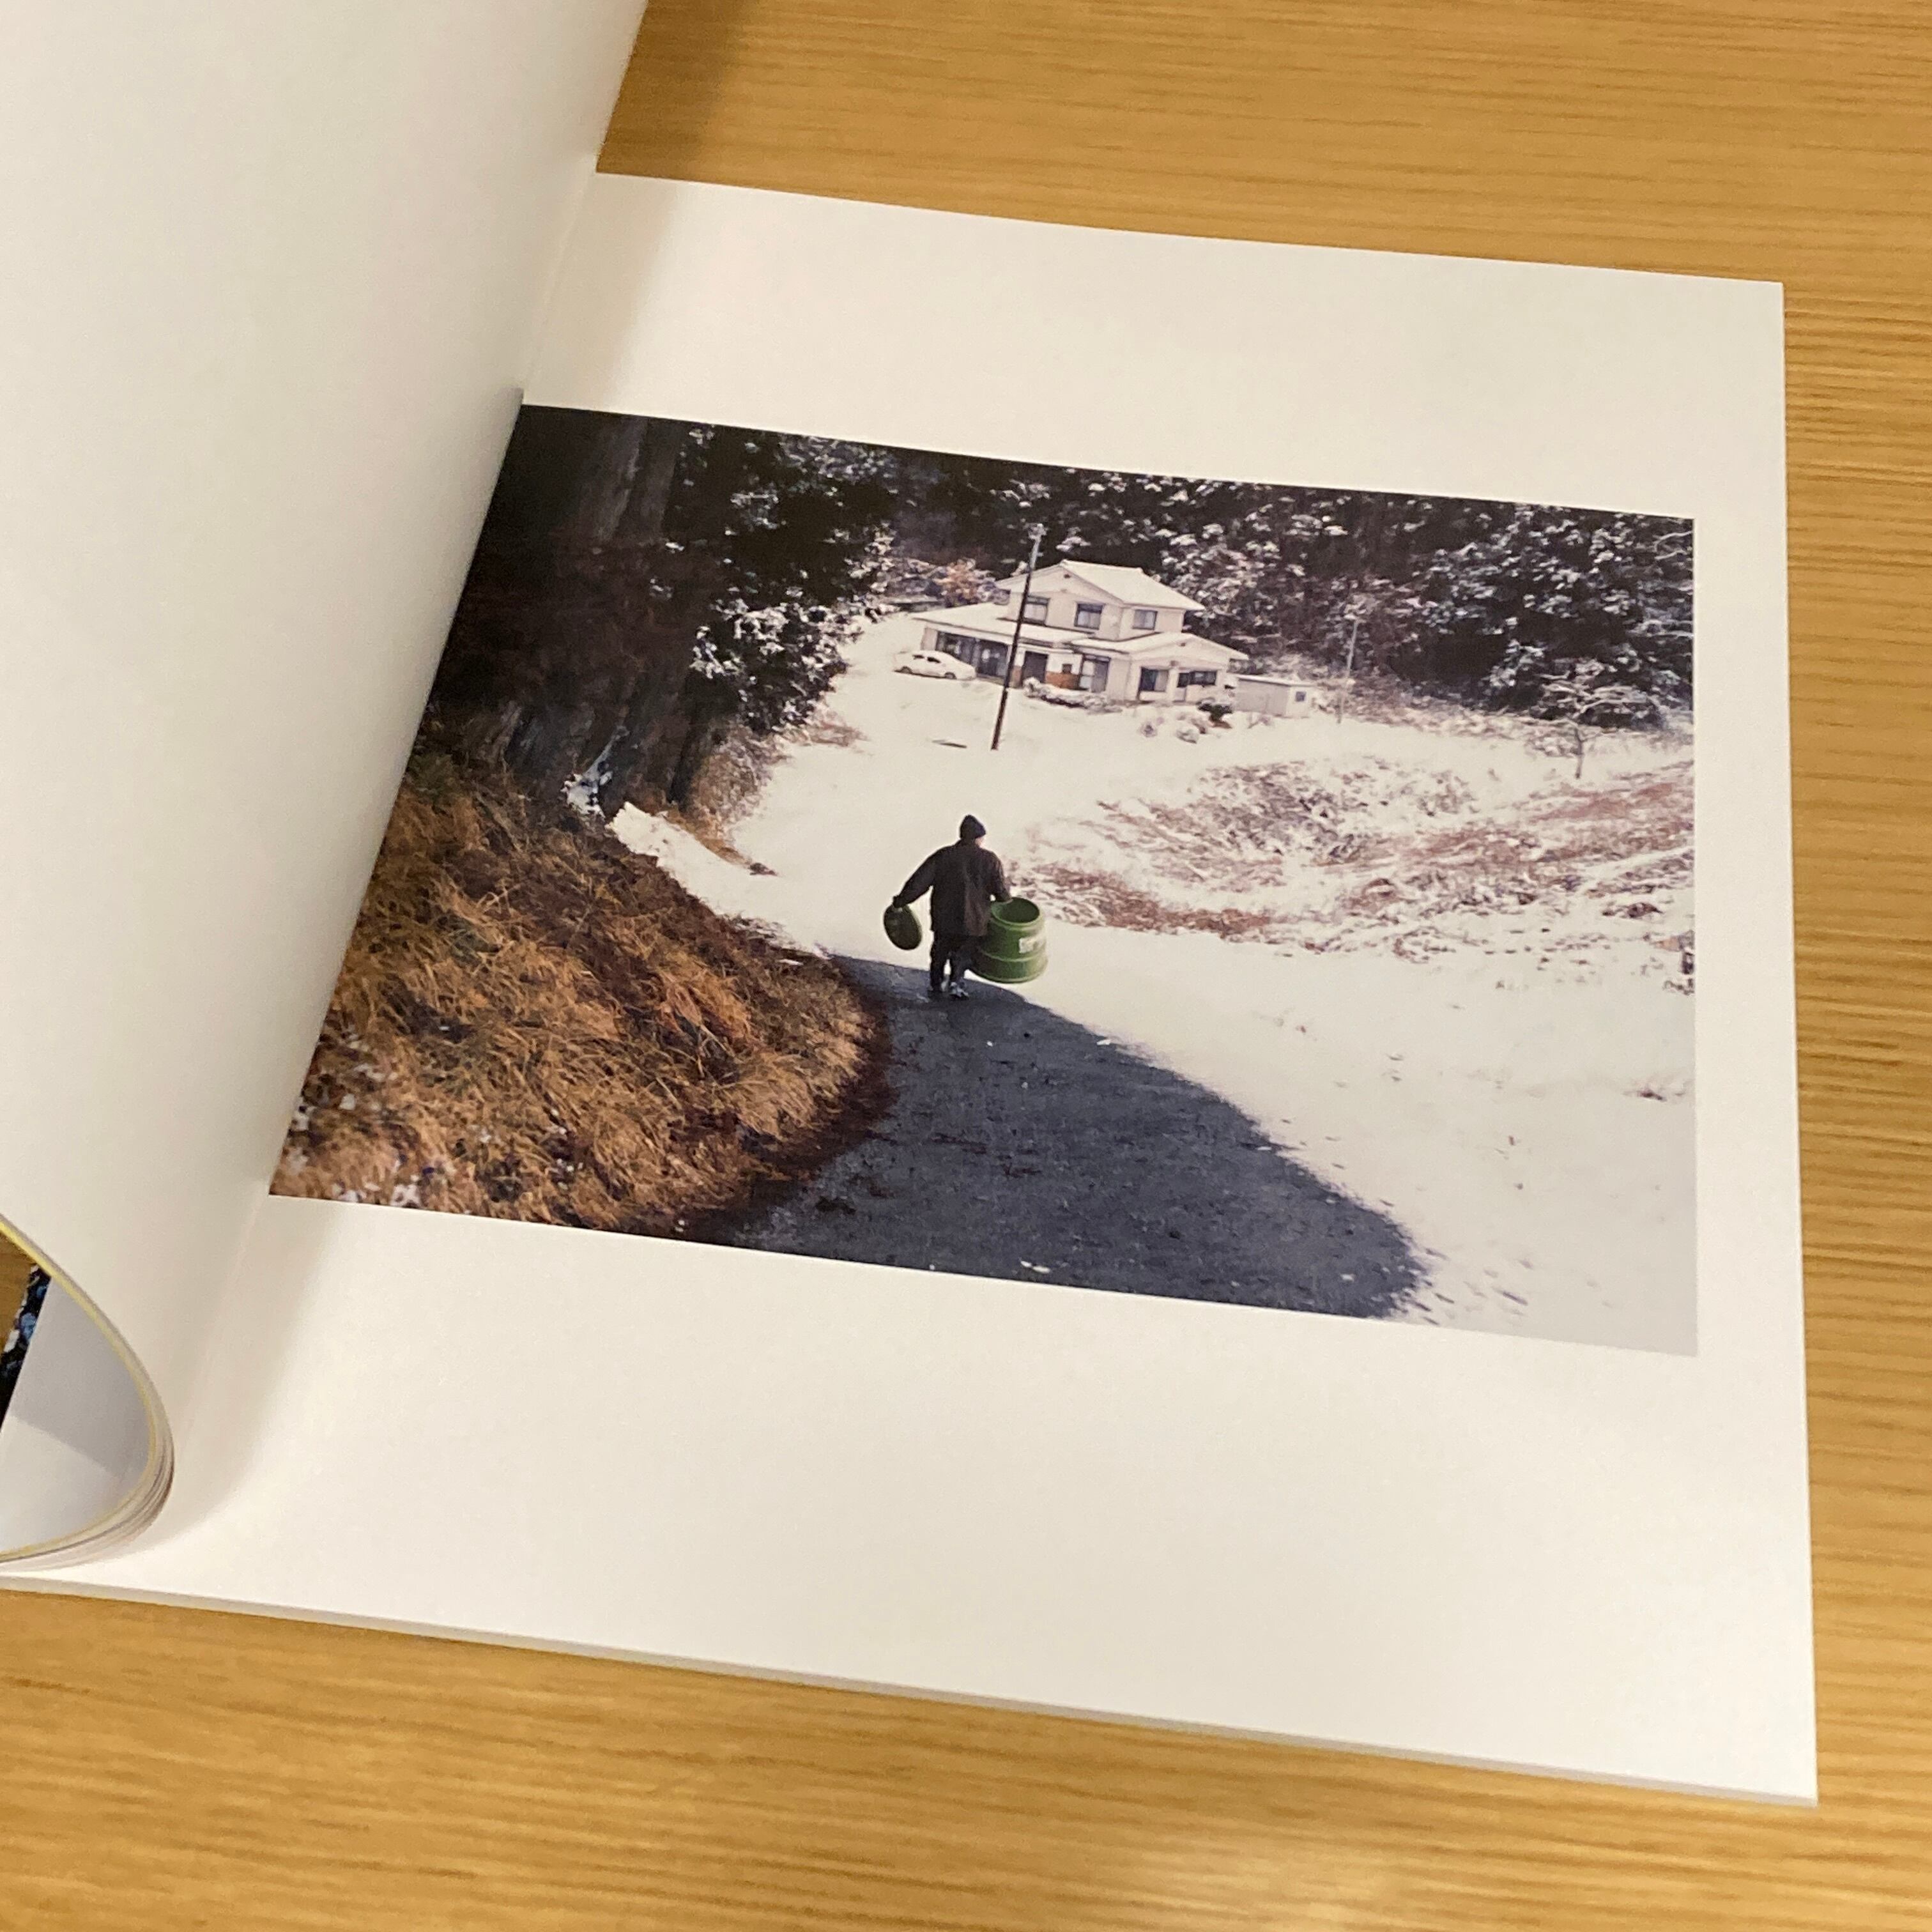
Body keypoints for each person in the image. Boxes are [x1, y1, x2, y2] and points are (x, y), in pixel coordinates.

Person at [893, 814, 1009, 1000]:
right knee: (963, 953)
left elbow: (919, 882)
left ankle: (936, 982)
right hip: (974, 920)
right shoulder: (989, 860)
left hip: (944, 917)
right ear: (979, 838)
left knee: (940, 949)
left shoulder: (943, 855)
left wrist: (901, 901)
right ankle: (956, 983)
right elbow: (1001, 892)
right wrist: (1006, 899)